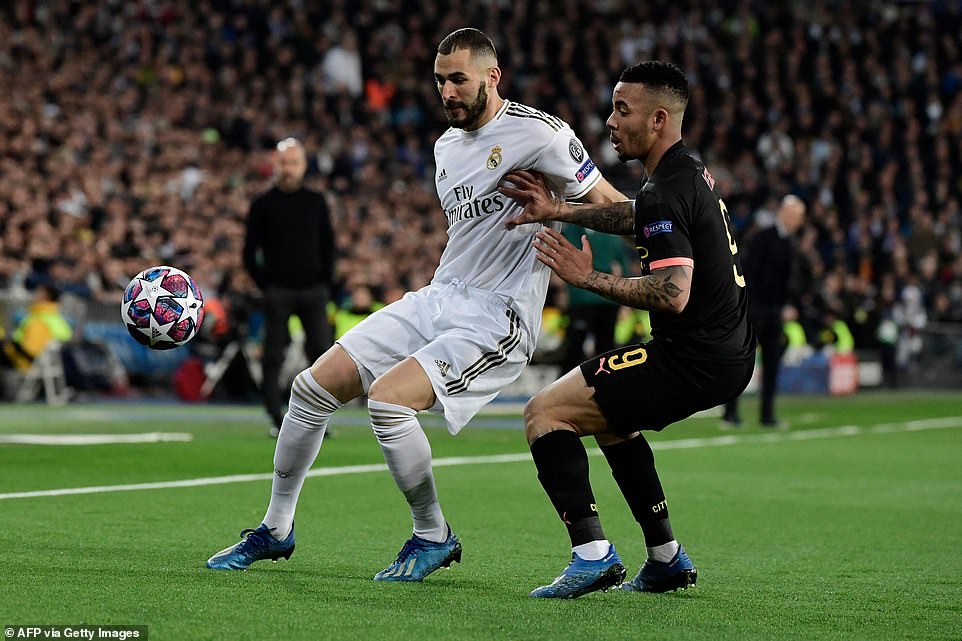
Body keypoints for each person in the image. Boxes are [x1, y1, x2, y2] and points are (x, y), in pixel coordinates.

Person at [207, 28, 625, 579]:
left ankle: (433, 535)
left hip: (497, 315)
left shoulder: (540, 134)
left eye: (459, 80)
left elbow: (619, 209)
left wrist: (565, 213)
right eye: (439, 81)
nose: (447, 92)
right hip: (440, 296)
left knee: (387, 402)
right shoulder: (445, 147)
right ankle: (276, 528)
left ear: (492, 77)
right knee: (310, 388)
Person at [498, 60, 756, 598]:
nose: (610, 122)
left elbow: (673, 293)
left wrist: (585, 276)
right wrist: (560, 208)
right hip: (725, 351)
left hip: (693, 358)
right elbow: (634, 215)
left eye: (622, 110)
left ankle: (592, 555)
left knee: (544, 412)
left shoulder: (665, 189)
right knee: (612, 418)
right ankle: (665, 558)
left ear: (658, 119)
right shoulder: (687, 173)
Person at [243, 138, 336, 437]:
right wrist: (266, 285)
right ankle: (275, 416)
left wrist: (325, 282)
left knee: (322, 355)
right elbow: (248, 252)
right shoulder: (262, 204)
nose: (288, 169)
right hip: (278, 291)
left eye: (294, 163)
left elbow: (328, 245)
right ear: (275, 165)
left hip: (313, 290)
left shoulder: (316, 202)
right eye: (284, 163)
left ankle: (318, 418)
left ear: (303, 166)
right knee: (273, 354)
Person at [722, 195, 806, 428]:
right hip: (755, 310)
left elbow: (787, 281)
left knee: (772, 364)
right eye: (795, 216)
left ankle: (767, 415)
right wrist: (749, 308)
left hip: (775, 312)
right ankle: (730, 413)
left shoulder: (789, 242)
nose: (797, 221)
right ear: (784, 214)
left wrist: (788, 305)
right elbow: (748, 273)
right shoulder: (763, 238)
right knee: (743, 362)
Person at [559, 224, 632, 373]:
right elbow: (622, 267)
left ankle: (575, 383)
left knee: (593, 347)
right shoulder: (609, 233)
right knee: (592, 348)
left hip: (593, 297)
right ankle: (602, 383)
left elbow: (623, 266)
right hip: (595, 296)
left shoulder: (609, 235)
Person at [0, 282, 73, 371]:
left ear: (45, 297)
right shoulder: (56, 317)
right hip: (44, 364)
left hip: (23, 362)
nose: (34, 296)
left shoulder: (39, 320)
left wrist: (8, 345)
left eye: (38, 293)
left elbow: (30, 351)